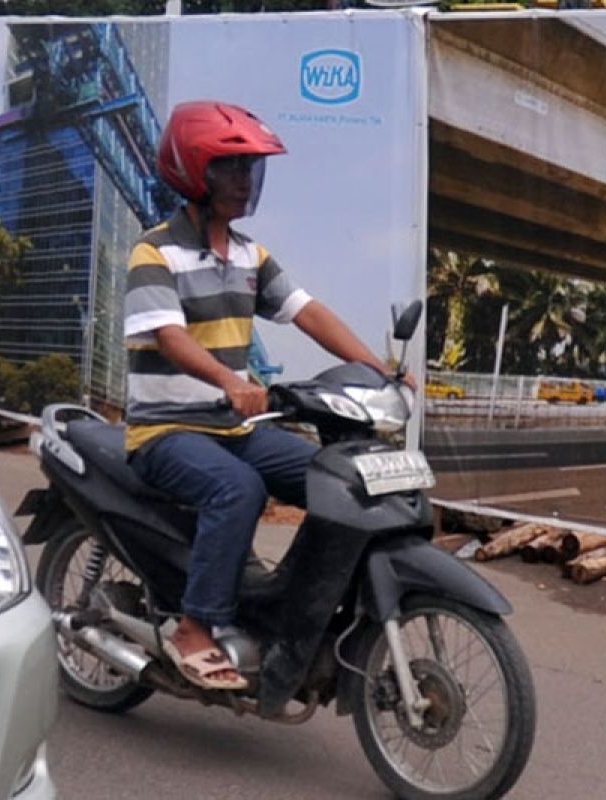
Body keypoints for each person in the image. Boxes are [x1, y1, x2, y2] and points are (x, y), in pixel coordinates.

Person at [123, 100, 399, 690]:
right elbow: (170, 338)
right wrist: (231, 381)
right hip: (166, 431)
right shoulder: (154, 253)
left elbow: (307, 312)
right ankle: (196, 626)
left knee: (336, 477)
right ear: (194, 173)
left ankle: (297, 608)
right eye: (231, 168)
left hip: (234, 428)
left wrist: (378, 368)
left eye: (251, 169)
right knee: (236, 488)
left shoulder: (252, 256)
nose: (246, 182)